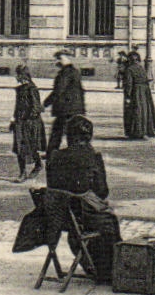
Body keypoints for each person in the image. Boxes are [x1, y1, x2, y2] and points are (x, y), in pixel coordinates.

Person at [44, 114, 121, 282]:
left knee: (90, 221)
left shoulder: (56, 156)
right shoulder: (92, 157)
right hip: (82, 217)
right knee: (109, 220)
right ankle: (110, 269)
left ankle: (95, 265)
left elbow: (52, 185)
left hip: (59, 218)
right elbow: (102, 191)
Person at [44, 50, 88, 155]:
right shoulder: (75, 71)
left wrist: (45, 103)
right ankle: (73, 153)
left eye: (60, 59)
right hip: (74, 108)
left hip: (65, 109)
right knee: (71, 132)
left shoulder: (65, 73)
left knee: (57, 131)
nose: (57, 61)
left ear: (65, 59)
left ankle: (52, 153)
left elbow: (59, 90)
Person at [10, 67, 45, 182]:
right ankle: (22, 173)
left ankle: (38, 164)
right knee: (19, 147)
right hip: (20, 122)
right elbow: (17, 106)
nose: (16, 77)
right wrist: (13, 119)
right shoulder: (19, 89)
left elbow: (36, 107)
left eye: (18, 74)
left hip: (30, 123)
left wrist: (29, 120)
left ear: (23, 76)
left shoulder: (32, 89)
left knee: (31, 147)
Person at [121, 47, 155, 140]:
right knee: (144, 111)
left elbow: (129, 84)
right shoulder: (141, 68)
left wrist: (128, 96)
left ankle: (135, 132)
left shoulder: (129, 69)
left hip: (135, 92)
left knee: (134, 111)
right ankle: (144, 131)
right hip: (145, 92)